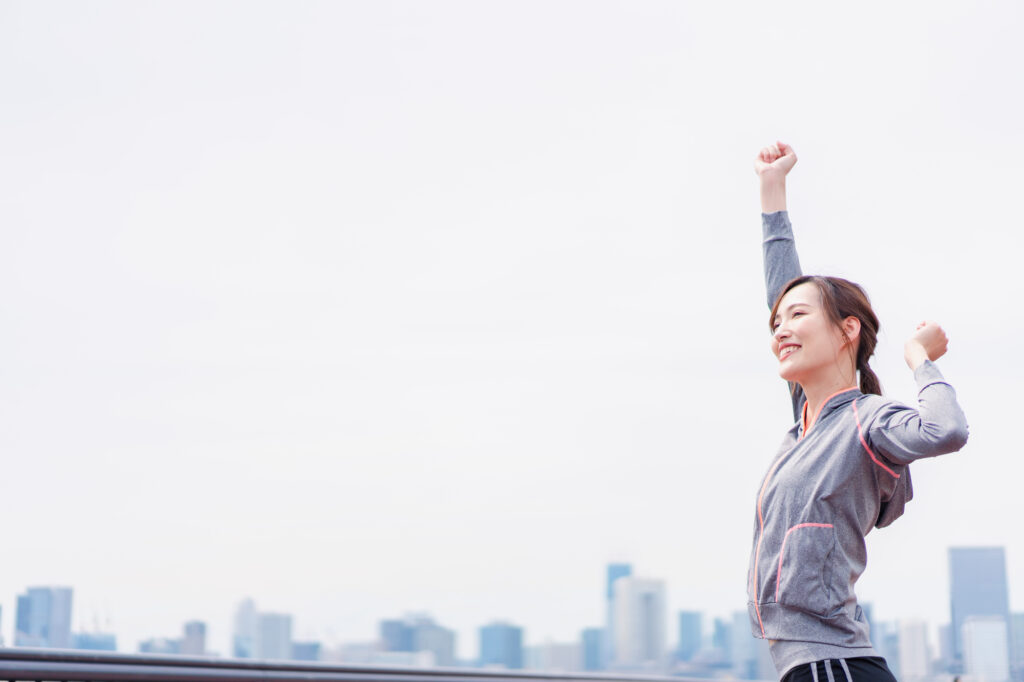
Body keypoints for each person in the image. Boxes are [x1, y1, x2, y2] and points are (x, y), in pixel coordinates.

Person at [747, 141, 969, 682]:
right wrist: (772, 188)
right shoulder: (807, 421)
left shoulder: (867, 421)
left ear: (847, 330)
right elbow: (781, 287)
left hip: (833, 666)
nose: (780, 329)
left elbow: (947, 429)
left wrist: (918, 358)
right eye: (776, 321)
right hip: (816, 665)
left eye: (797, 316)